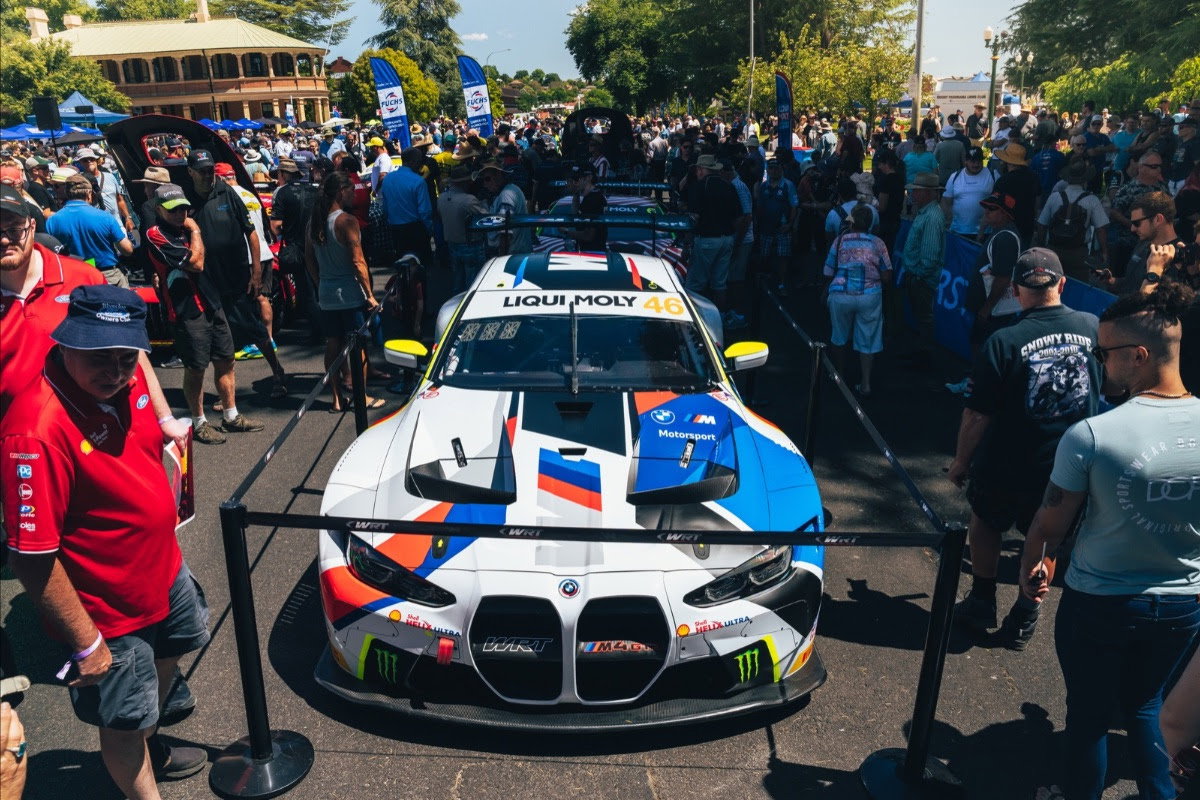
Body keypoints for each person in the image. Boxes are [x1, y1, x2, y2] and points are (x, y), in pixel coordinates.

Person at [1, 284, 211, 800]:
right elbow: (32, 560)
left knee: (185, 640)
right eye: (100, 356)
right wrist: (88, 643)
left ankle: (148, 739)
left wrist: (165, 419)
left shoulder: (127, 373)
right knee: (122, 717)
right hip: (109, 605)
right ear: (67, 341)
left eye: (126, 355)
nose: (116, 371)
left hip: (162, 567)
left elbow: (136, 371)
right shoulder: (36, 431)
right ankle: (138, 774)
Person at [1019, 282, 1200, 800]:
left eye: (1105, 353)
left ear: (1139, 355)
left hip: (1100, 600)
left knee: (1090, 716)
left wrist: (1031, 572)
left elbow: (1048, 527)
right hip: (1182, 605)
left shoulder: (1093, 434)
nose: (1101, 364)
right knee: (1145, 708)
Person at [949, 248, 1101, 650]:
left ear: (1016, 292)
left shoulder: (1004, 340)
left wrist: (961, 462)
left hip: (1006, 461)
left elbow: (976, 414)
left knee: (984, 522)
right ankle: (1024, 614)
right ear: (1062, 284)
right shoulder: (1092, 327)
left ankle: (983, 599)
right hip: (1067, 464)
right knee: (1046, 537)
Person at [185, 150, 266, 435]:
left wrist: (256, 270)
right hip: (203, 287)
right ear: (191, 172)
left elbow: (251, 232)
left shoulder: (227, 192)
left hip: (236, 279)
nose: (209, 175)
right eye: (203, 171)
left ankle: (237, 409)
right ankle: (203, 419)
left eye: (211, 170)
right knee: (202, 357)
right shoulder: (184, 199)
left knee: (247, 333)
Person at [305, 171, 384, 412]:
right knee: (357, 347)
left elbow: (309, 259)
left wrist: (321, 284)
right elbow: (358, 262)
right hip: (349, 293)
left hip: (328, 293)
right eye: (350, 190)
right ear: (341, 192)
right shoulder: (346, 221)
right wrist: (369, 295)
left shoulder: (314, 221)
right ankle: (361, 397)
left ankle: (337, 398)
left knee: (333, 345)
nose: (354, 194)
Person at [214, 163, 285, 370]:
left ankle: (253, 341)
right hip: (264, 251)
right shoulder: (249, 194)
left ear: (219, 179)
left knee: (246, 301)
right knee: (264, 297)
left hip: (248, 255)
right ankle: (268, 339)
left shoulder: (227, 197)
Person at [823, 204, 892, 397]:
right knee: (868, 338)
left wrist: (825, 289)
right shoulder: (878, 243)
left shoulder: (840, 240)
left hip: (841, 293)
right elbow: (887, 276)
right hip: (870, 295)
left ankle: (839, 375)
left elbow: (828, 270)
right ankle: (866, 383)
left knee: (839, 335)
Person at [45, 174, 133, 286]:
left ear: (67, 194)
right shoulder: (105, 217)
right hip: (107, 277)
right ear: (89, 194)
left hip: (74, 278)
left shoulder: (52, 221)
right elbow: (127, 250)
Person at [1036, 160, 1109, 281]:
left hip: (1054, 249)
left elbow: (1041, 224)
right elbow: (1100, 229)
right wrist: (1105, 251)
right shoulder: (1092, 200)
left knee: (1051, 282)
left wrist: (1041, 245)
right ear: (1085, 180)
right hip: (1078, 252)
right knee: (1078, 284)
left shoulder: (1054, 197)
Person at [899, 172, 945, 363]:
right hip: (918, 275)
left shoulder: (932, 217)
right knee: (921, 318)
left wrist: (918, 276)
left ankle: (924, 358)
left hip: (921, 278)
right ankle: (920, 354)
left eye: (916, 191)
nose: (913, 194)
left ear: (928, 193)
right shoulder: (927, 212)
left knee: (924, 319)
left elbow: (930, 255)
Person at [684, 153, 740, 312]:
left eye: (697, 169)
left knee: (694, 284)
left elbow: (693, 218)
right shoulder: (729, 185)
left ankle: (696, 319)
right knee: (719, 284)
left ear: (701, 169)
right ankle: (720, 317)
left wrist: (687, 244)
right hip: (727, 238)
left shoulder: (700, 186)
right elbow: (738, 217)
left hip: (706, 239)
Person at [437, 164, 489, 292]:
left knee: (458, 280)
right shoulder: (468, 200)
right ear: (465, 182)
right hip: (470, 244)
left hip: (452, 244)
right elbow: (486, 217)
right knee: (473, 282)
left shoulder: (441, 198)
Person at [380, 147, 434, 264]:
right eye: (420, 161)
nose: (421, 164)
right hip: (415, 229)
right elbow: (425, 211)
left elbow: (385, 207)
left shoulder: (388, 179)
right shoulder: (418, 181)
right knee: (422, 266)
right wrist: (429, 230)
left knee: (402, 265)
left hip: (396, 229)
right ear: (413, 161)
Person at [755, 158, 800, 295]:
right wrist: (757, 223)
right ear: (767, 170)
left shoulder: (788, 185)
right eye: (771, 168)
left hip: (782, 227)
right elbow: (759, 205)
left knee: (783, 255)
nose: (774, 171)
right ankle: (766, 278)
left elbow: (794, 206)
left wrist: (790, 224)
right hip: (765, 226)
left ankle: (782, 283)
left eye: (777, 168)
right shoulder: (763, 186)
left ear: (781, 170)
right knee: (764, 253)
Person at [476, 160, 530, 256]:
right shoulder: (510, 190)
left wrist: (501, 259)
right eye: (483, 180)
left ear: (498, 176)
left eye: (487, 179)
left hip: (512, 255)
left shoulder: (506, 195)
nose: (485, 184)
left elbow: (505, 233)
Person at [942, 147, 996, 238]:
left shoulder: (993, 175)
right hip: (958, 231)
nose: (976, 164)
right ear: (966, 161)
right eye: (972, 161)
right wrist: (947, 223)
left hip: (985, 232)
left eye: (979, 161)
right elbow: (946, 202)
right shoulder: (954, 176)